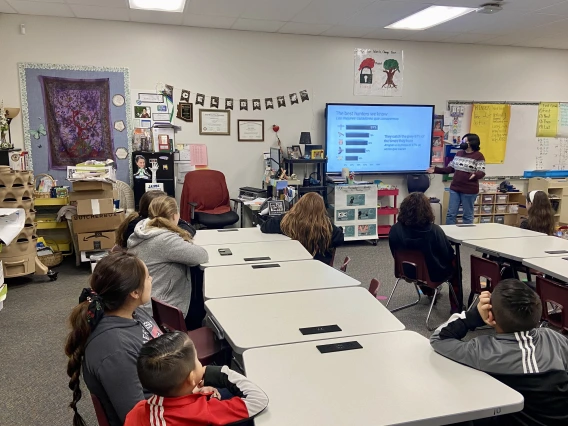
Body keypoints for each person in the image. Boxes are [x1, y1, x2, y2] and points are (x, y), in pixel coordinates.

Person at [431, 279, 568, 425]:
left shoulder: (482, 351)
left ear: (490, 316)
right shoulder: (555, 338)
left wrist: (474, 316)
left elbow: (439, 339)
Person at [64, 252, 163, 426]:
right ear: (134, 292)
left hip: (174, 393)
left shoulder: (134, 313)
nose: (151, 279)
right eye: (148, 277)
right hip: (164, 414)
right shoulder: (115, 350)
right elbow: (137, 419)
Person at [125, 332, 269, 426]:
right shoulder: (205, 412)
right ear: (191, 377)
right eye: (197, 360)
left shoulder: (137, 411)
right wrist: (215, 372)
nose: (201, 363)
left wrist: (194, 390)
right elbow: (258, 400)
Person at [127, 196, 208, 317]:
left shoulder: (144, 229)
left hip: (145, 301)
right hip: (161, 309)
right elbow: (201, 256)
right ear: (175, 215)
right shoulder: (164, 239)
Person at [389, 192, 462, 312]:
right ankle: (456, 307)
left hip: (406, 270)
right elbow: (447, 255)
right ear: (427, 210)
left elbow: (394, 252)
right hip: (432, 273)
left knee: (420, 263)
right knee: (455, 265)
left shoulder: (395, 229)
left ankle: (429, 292)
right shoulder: (434, 230)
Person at [260, 192, 344, 265]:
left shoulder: (286, 220)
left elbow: (264, 227)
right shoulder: (325, 225)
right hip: (319, 268)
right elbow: (339, 239)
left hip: (290, 263)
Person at [428, 133, 486, 224]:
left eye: (465, 141)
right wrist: (436, 169)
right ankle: (449, 235)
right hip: (455, 189)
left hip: (469, 190)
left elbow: (481, 172)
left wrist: (475, 175)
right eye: (463, 141)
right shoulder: (459, 153)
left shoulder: (478, 156)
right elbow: (450, 168)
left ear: (472, 143)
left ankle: (466, 235)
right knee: (451, 214)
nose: (463, 142)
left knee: (467, 215)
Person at [115, 190, 196, 249]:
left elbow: (189, 228)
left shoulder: (142, 219)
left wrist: (174, 219)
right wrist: (174, 223)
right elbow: (184, 235)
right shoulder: (139, 227)